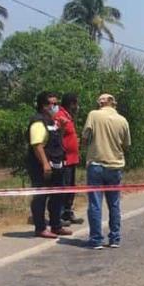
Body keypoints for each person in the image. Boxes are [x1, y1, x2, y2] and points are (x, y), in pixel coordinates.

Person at [83, 93, 131, 250]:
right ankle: (115, 238)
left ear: (100, 103)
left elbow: (85, 137)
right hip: (115, 165)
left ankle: (96, 239)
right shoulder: (122, 120)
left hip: (96, 164)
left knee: (95, 204)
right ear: (114, 104)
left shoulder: (94, 115)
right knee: (114, 203)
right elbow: (126, 144)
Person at [27, 91, 70, 239]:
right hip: (41, 167)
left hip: (56, 165)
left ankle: (56, 226)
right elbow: (37, 145)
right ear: (44, 106)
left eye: (57, 103)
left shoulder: (52, 121)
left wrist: (62, 127)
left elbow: (56, 141)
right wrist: (45, 164)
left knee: (57, 196)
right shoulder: (38, 122)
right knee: (41, 197)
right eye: (53, 103)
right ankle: (40, 228)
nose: (56, 106)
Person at [56, 92, 82, 225]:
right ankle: (59, 215)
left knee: (71, 187)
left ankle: (68, 212)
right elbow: (57, 137)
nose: (77, 106)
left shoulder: (68, 116)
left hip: (72, 159)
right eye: (76, 103)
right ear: (71, 104)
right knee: (63, 187)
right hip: (64, 159)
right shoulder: (60, 116)